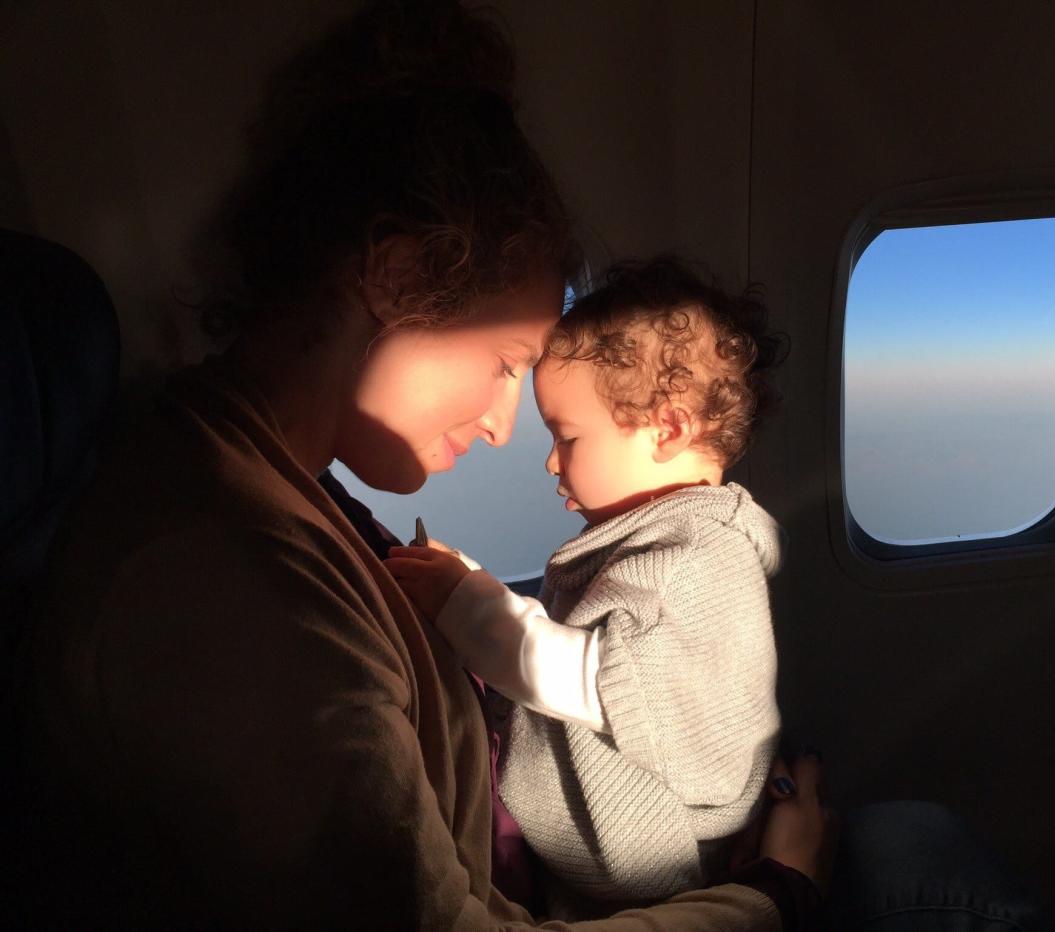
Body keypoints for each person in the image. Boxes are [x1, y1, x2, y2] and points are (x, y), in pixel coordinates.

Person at [16, 2, 829, 928]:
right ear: (399, 277)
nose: (500, 427)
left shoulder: (270, 476)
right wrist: (778, 896)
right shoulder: (221, 585)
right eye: (503, 365)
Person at [385, 257, 790, 919]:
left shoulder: (699, 561)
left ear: (668, 429)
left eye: (565, 436)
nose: (551, 460)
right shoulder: (655, 537)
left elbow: (588, 678)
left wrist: (465, 601)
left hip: (657, 871)